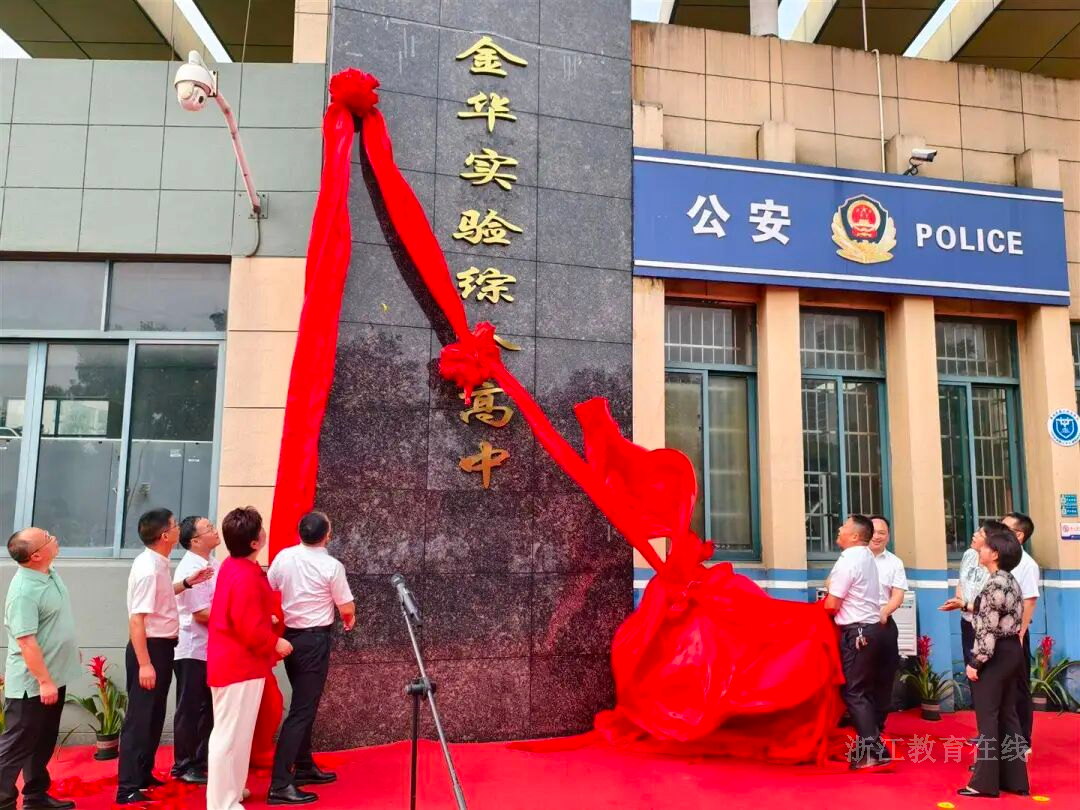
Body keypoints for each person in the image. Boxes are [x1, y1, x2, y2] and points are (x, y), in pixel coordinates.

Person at [116, 509, 212, 805]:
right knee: (140, 718)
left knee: (154, 716)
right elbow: (137, 620)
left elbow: (162, 596)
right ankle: (127, 787)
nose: (178, 529)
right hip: (150, 648)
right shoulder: (148, 568)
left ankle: (143, 775)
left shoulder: (158, 563)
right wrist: (145, 663)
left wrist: (187, 584)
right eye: (173, 525)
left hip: (162, 647)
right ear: (165, 536)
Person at [266, 512, 356, 805]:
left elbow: (271, 584)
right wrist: (350, 619)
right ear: (327, 535)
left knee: (306, 704)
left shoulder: (284, 557)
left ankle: (303, 764)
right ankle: (280, 783)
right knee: (302, 710)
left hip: (292, 637)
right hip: (314, 640)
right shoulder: (332, 566)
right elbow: (346, 606)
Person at [207, 507, 293, 810]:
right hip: (237, 665)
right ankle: (221, 802)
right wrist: (275, 642)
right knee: (229, 736)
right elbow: (248, 628)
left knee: (239, 734)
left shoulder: (235, 566)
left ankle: (232, 789)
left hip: (239, 664)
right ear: (255, 542)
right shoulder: (244, 575)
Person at [0, 529, 80, 810]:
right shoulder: (23, 592)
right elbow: (26, 641)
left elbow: (52, 623)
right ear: (35, 556)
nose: (54, 537)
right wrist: (44, 681)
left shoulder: (48, 572)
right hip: (32, 683)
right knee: (16, 745)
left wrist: (67, 649)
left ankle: (35, 797)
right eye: (47, 537)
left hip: (54, 675)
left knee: (42, 741)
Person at [957, 528, 1029, 799]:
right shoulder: (1009, 580)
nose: (980, 550)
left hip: (995, 652)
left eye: (985, 546)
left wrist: (976, 662)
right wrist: (966, 605)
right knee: (1008, 715)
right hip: (1011, 650)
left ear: (995, 554)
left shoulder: (993, 584)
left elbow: (988, 629)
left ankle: (984, 783)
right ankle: (1015, 780)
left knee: (988, 717)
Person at [823, 514, 887, 770]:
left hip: (858, 634)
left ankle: (872, 751)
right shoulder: (866, 557)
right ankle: (875, 748)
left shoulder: (849, 560)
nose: (839, 529)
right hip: (872, 630)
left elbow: (832, 603)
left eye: (844, 527)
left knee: (853, 691)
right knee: (863, 691)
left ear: (855, 536)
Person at [170, 516, 220, 784]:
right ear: (195, 541)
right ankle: (183, 765)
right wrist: (237, 621)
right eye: (209, 529)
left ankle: (200, 761)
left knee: (207, 707)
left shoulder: (213, 562)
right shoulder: (189, 568)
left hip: (210, 646)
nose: (215, 530)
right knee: (189, 707)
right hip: (191, 647)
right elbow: (201, 613)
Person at [1002, 512, 1039, 752]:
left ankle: (1022, 740)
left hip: (1015, 635)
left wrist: (1020, 634)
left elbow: (1030, 601)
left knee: (1019, 688)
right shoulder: (1002, 560)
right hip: (998, 634)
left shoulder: (1026, 564)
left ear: (1018, 535)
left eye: (1004, 527)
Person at [868, 515, 907, 733]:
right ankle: (860, 722)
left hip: (883, 623)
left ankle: (877, 724)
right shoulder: (853, 557)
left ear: (888, 536)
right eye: (873, 532)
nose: (877, 536)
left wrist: (884, 613)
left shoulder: (894, 562)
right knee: (859, 676)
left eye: (881, 533)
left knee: (884, 675)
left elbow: (898, 595)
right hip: (858, 624)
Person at [940, 522, 998, 667]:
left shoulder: (997, 567)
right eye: (976, 531)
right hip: (967, 621)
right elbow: (962, 581)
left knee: (985, 669)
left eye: (980, 534)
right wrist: (959, 601)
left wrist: (964, 605)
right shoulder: (969, 555)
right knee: (970, 665)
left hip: (986, 626)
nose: (974, 535)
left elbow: (991, 607)